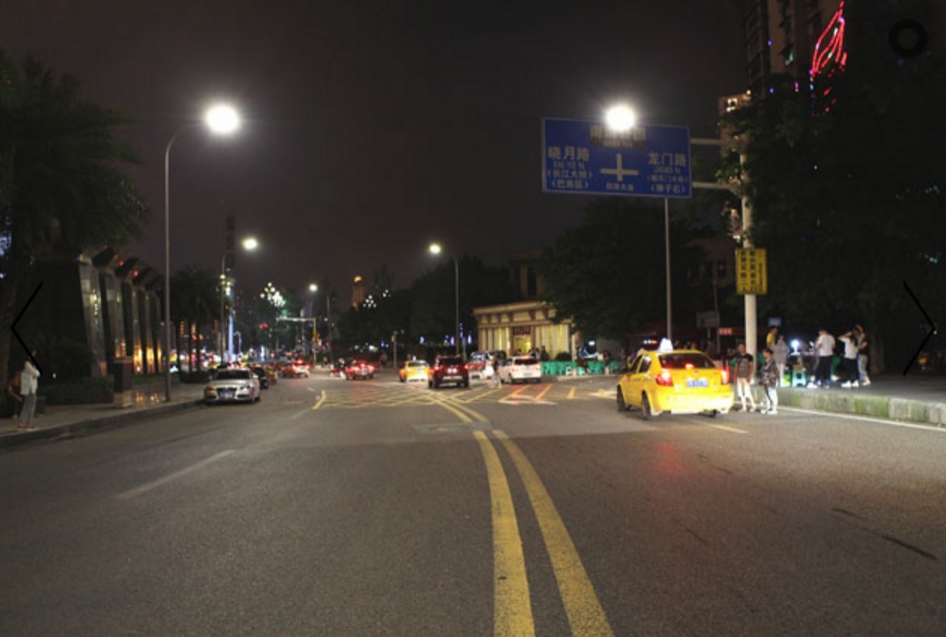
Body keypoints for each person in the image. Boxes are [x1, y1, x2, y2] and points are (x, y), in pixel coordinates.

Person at [19, 353, 41, 430]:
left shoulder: (30, 364)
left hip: (31, 387)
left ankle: (24, 422)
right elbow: (35, 373)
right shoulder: (27, 364)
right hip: (30, 387)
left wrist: (36, 373)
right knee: (31, 405)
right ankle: (28, 422)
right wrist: (36, 373)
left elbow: (37, 372)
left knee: (27, 404)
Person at [733, 343, 757, 412]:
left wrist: (749, 375)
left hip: (745, 376)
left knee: (747, 391)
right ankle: (744, 407)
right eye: (740, 347)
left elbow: (751, 366)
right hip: (739, 376)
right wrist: (735, 376)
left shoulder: (749, 357)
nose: (741, 349)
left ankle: (753, 405)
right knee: (740, 391)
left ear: (745, 347)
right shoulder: (738, 357)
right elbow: (736, 367)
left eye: (742, 347)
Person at [759, 348, 779, 414]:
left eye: (764, 352)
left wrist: (776, 378)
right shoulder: (765, 361)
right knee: (766, 394)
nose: (763, 354)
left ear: (768, 353)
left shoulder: (773, 361)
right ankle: (768, 408)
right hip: (765, 380)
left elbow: (776, 370)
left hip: (771, 380)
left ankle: (774, 409)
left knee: (772, 393)